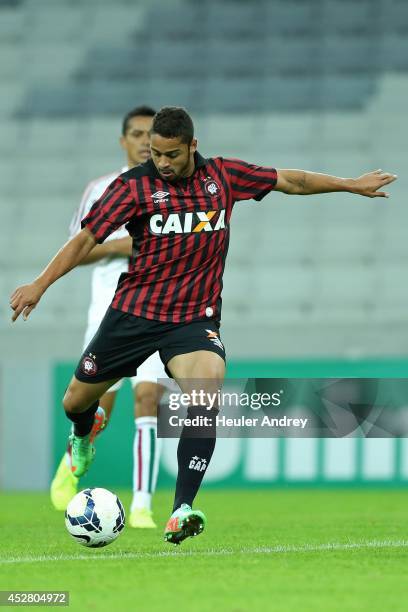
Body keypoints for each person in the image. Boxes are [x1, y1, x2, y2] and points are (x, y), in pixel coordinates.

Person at [10, 106, 397, 545]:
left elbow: (291, 180)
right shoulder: (134, 185)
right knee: (75, 402)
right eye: (156, 153)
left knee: (207, 390)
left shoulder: (224, 177)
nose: (162, 162)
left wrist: (351, 185)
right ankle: (84, 434)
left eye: (171, 154)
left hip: (192, 321)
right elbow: (85, 239)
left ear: (193, 145)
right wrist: (40, 284)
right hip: (134, 314)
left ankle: (181, 509)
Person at [50, 105, 170, 529]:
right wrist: (120, 248)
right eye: (135, 133)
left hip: (158, 308)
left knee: (148, 398)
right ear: (124, 140)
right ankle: (73, 459)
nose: (143, 141)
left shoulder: (176, 188)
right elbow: (76, 249)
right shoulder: (102, 188)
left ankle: (141, 506)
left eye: (149, 134)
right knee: (101, 405)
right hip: (108, 310)